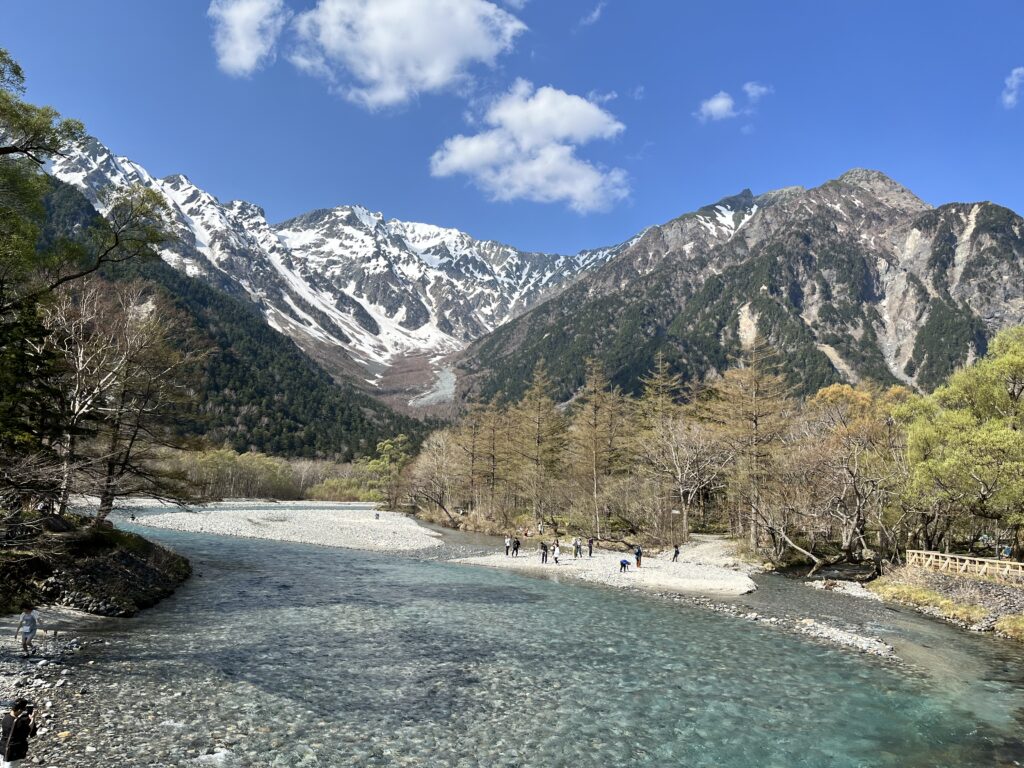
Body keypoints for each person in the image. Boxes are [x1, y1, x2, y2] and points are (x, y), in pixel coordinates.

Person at [1, 698, 37, 767]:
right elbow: (29, 731)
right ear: (19, 710)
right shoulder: (18, 723)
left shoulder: (5, 718)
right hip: (12, 753)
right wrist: (33, 718)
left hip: (3, 748)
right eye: (23, 710)